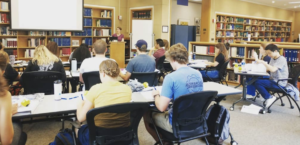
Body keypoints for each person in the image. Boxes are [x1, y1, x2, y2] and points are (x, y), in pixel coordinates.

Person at [143, 43, 204, 142]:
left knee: (147, 114)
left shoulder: (171, 77)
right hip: (196, 122)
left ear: (173, 59)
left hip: (176, 124)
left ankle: (164, 142)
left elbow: (161, 107)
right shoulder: (198, 74)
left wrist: (156, 95)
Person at [76, 60, 131, 144]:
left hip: (100, 136)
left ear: (103, 73)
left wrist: (80, 102)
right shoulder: (127, 89)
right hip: (123, 135)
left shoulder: (95, 89)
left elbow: (80, 118)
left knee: (78, 130)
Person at [0, 51, 26, 145]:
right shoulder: (4, 96)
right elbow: (6, 141)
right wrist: (8, 113)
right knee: (17, 126)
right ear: (3, 72)